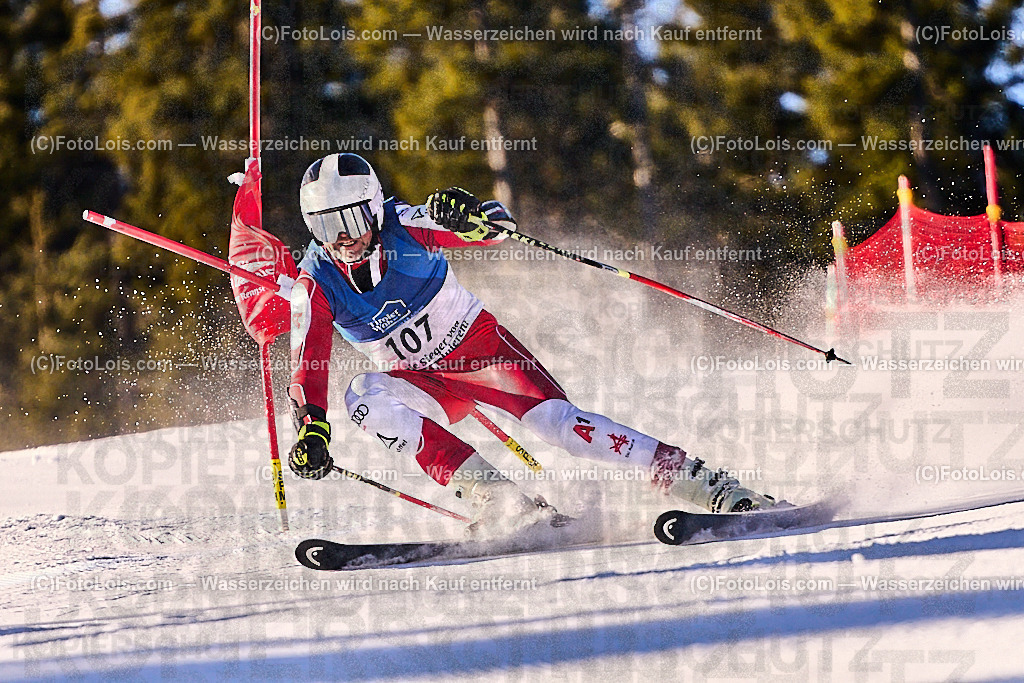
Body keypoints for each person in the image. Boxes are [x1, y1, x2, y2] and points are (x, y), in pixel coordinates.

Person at [286, 152, 775, 534]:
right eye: (326, 227)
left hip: (480, 353)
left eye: (350, 220)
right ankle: (501, 502)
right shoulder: (315, 282)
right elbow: (309, 361)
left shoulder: (406, 224)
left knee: (563, 428)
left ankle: (708, 486)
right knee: (364, 396)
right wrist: (312, 429)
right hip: (419, 381)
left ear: (374, 207)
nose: (342, 238)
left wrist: (469, 216)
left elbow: (499, 228)